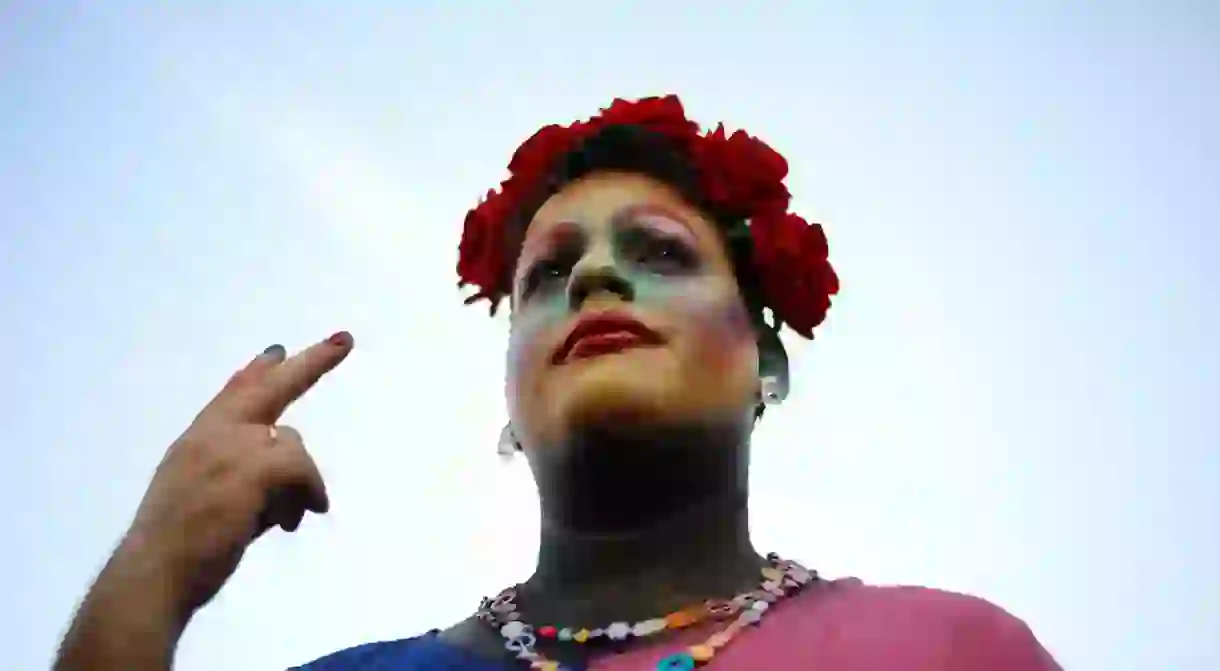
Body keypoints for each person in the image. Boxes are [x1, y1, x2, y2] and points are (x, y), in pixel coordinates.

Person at [55, 96, 1060, 670]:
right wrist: (149, 575)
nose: (592, 276)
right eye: (547, 272)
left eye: (661, 252)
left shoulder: (946, 650)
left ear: (765, 361)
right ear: (509, 403)